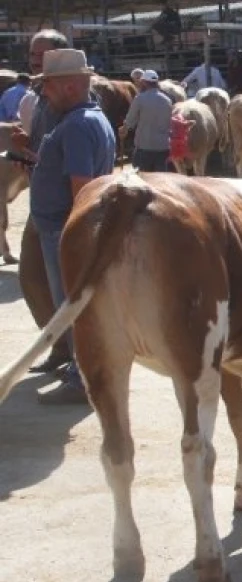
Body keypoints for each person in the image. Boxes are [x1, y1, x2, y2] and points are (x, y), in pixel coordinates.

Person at [26, 48, 116, 404]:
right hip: (64, 229)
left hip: (64, 231)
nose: (43, 92)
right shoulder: (87, 119)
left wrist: (72, 237)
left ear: (67, 87)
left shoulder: (77, 126)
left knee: (74, 305)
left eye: (47, 85)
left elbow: (82, 188)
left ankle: (84, 380)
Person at [10, 28, 72, 375]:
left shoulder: (69, 97)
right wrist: (24, 152)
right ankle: (59, 347)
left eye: (41, 55)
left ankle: (82, 362)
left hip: (65, 203)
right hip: (42, 199)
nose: (34, 60)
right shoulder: (35, 97)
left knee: (67, 285)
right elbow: (41, 149)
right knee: (33, 277)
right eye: (32, 55)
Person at [120, 69, 173, 172]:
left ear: (144, 82)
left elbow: (130, 120)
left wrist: (124, 129)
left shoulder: (140, 98)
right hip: (163, 147)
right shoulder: (167, 100)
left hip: (144, 147)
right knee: (160, 180)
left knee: (142, 179)